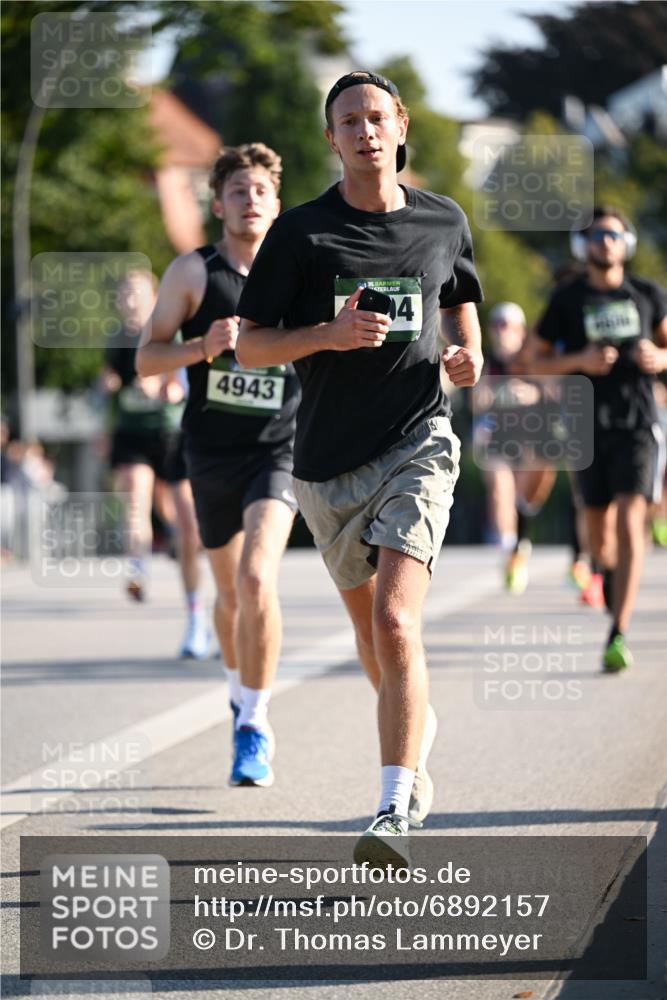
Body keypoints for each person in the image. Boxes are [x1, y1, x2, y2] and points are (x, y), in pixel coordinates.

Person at [236, 71, 483, 866]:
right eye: (349, 121)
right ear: (331, 139)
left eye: (376, 117)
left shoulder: (443, 218)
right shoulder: (302, 233)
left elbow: (462, 294)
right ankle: (413, 738)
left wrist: (468, 351)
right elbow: (250, 344)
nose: (366, 131)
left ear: (400, 123)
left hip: (418, 442)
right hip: (325, 467)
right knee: (372, 644)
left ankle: (391, 808)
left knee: (394, 619)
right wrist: (326, 336)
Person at [136, 143, 299, 787]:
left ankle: (255, 723)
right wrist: (199, 347)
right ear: (218, 203)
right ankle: (239, 695)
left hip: (280, 448)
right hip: (211, 452)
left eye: (260, 189)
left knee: (259, 581)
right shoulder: (192, 273)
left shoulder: (298, 273)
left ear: (276, 202)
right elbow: (146, 360)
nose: (250, 200)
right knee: (230, 596)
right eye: (238, 191)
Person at [533, 206, 667, 671]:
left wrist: (659, 357)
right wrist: (581, 362)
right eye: (595, 235)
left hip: (637, 423)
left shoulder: (648, 294)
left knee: (632, 522)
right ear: (583, 246)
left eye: (613, 234)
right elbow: (535, 361)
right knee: (597, 533)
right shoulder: (568, 299)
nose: (604, 242)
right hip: (584, 424)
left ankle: (619, 631)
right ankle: (608, 573)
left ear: (626, 243)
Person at [103, 270, 208, 660]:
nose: (129, 300)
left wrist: (168, 387)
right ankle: (137, 569)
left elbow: (183, 381)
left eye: (137, 293)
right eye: (124, 293)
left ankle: (196, 607)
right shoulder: (116, 339)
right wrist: (109, 388)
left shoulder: (170, 331)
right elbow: (110, 377)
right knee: (135, 497)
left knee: (182, 521)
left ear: (153, 296)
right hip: (132, 433)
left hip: (170, 434)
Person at [475, 301, 558, 594]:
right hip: (497, 437)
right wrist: (496, 395)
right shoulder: (485, 362)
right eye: (496, 324)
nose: (501, 331)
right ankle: (510, 552)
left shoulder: (533, 360)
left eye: (507, 324)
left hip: (533, 439)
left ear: (520, 330)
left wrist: (531, 393)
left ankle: (521, 534)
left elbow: (554, 392)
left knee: (528, 498)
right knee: (500, 489)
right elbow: (477, 401)